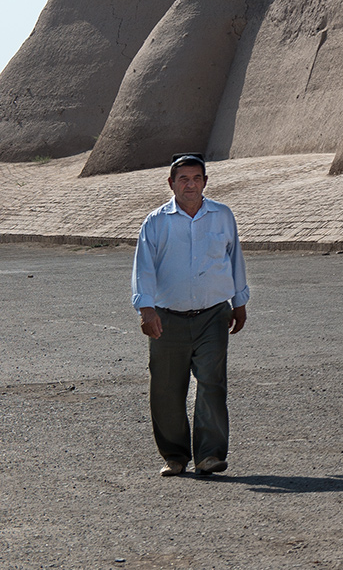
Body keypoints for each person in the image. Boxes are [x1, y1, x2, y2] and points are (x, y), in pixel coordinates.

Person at [131, 152, 250, 477]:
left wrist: (239, 303)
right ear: (171, 183)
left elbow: (234, 258)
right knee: (167, 389)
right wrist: (147, 309)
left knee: (212, 383)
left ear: (205, 182)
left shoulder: (222, 216)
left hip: (213, 316)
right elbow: (143, 269)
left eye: (196, 178)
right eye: (183, 179)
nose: (190, 185)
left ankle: (210, 455)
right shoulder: (156, 222)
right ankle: (175, 456)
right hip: (167, 318)